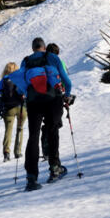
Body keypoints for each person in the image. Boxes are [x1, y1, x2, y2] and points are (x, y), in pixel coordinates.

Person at [20, 38, 72, 191]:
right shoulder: (52, 57)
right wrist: (67, 94)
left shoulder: (26, 61)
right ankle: (55, 169)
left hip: (33, 101)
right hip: (52, 98)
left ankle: (31, 177)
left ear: (33, 48)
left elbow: (22, 83)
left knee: (33, 136)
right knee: (52, 130)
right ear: (43, 47)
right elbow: (66, 81)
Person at [0, 62, 26, 162]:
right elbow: (23, 91)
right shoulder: (19, 78)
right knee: (20, 128)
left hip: (8, 108)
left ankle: (6, 152)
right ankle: (17, 151)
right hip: (21, 107)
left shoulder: (3, 80)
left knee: (8, 130)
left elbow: (0, 93)